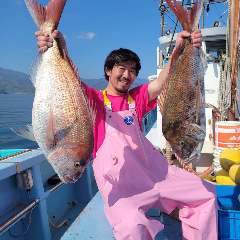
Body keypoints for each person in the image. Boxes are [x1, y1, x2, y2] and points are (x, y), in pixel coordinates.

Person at [35, 29, 217, 240]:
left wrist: (178, 48)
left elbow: (160, 82)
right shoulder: (93, 100)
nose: (127, 75)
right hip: (120, 186)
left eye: (132, 71)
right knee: (132, 227)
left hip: (156, 175)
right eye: (121, 68)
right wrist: (59, 46)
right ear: (108, 71)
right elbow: (69, 83)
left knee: (206, 194)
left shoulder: (136, 98)